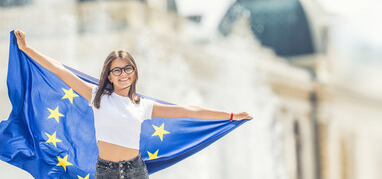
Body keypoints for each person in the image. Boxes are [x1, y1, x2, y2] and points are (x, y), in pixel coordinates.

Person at [12, 29, 252, 179]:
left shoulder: (142, 105)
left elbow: (187, 110)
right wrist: (26, 48)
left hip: (136, 171)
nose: (123, 74)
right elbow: (60, 70)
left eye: (128, 68)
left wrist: (230, 115)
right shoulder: (97, 97)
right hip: (105, 171)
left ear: (134, 73)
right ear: (109, 75)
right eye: (117, 70)